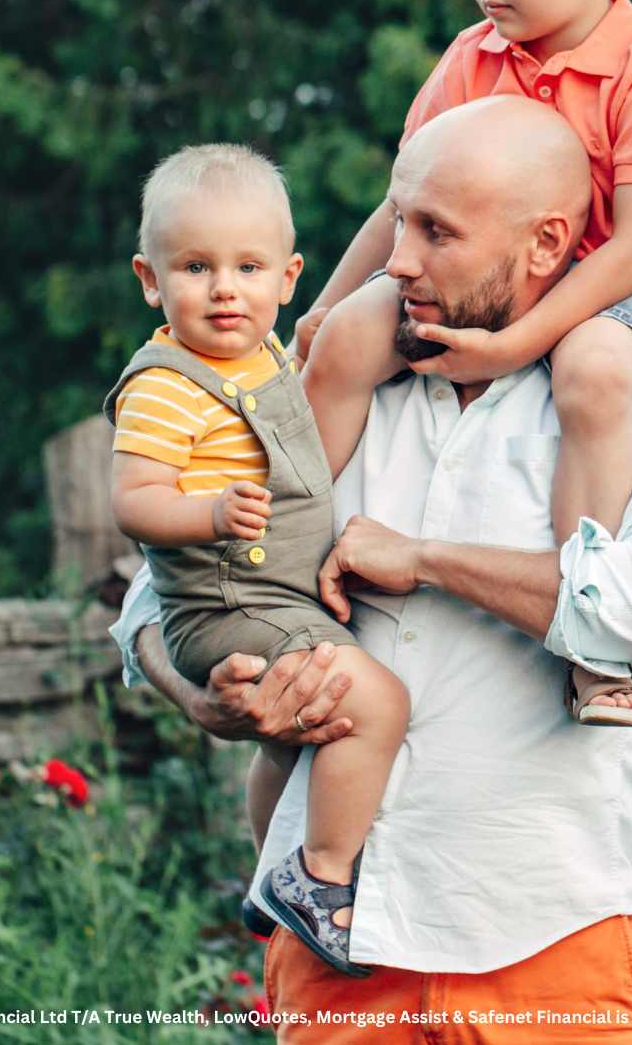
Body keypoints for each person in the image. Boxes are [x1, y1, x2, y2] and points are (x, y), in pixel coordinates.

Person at [109, 96, 632, 1041]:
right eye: (398, 219)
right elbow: (158, 587)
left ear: (544, 245)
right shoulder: (322, 385)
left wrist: (425, 559)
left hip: (551, 941)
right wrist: (197, 692)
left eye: (436, 232)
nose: (396, 257)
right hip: (339, 955)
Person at [294, 0, 632, 730]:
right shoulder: (471, 59)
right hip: (500, 291)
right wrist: (323, 307)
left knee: (593, 369)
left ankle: (591, 628)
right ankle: (282, 565)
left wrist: (518, 341)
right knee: (352, 337)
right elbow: (401, 203)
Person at [105, 144, 409, 977]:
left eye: (247, 266)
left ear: (289, 277)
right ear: (149, 279)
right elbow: (132, 501)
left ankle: (270, 868)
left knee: (288, 745)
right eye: (196, 267)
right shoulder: (166, 384)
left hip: (270, 590)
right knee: (376, 700)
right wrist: (204, 511)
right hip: (226, 599)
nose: (224, 288)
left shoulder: (270, 358)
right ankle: (321, 880)